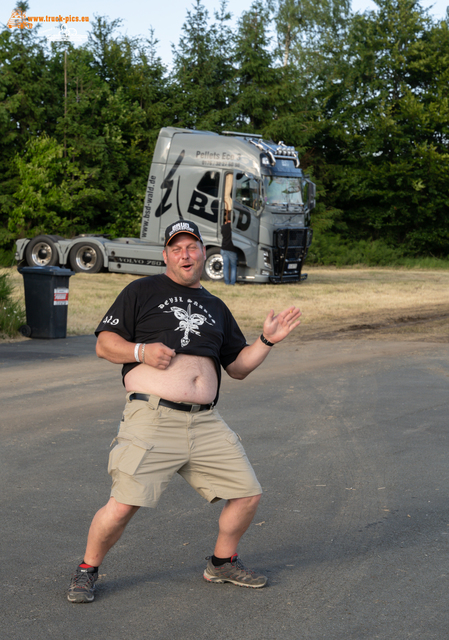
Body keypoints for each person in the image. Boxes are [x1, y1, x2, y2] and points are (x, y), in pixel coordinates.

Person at [67, 219, 301, 604]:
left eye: (192, 247)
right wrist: (141, 352)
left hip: (205, 420)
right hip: (152, 417)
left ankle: (222, 562)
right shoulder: (141, 291)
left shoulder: (216, 306)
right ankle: (87, 569)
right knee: (123, 503)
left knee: (247, 494)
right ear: (165, 255)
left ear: (203, 254)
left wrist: (266, 341)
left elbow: (238, 367)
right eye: (176, 248)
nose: (185, 254)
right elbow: (105, 345)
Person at [220, 210, 238, 285]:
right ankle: (232, 282)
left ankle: (226, 282)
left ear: (227, 218)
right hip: (232, 249)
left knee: (225, 266)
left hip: (224, 248)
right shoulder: (235, 228)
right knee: (233, 266)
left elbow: (222, 233)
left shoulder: (223, 227)